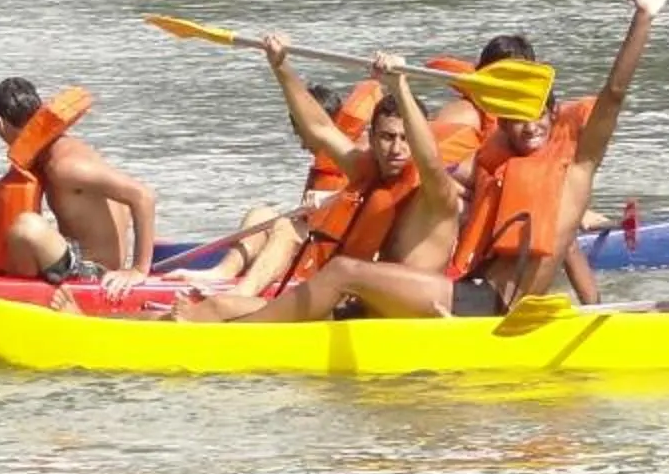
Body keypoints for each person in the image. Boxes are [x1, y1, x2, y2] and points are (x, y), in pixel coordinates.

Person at [437, 0, 669, 317]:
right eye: (516, 118)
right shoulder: (495, 152)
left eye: (536, 115)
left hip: (491, 300)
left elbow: (614, 91)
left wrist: (643, 17)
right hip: (476, 290)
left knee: (353, 276)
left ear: (553, 112)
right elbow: (437, 172)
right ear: (500, 120)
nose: (529, 125)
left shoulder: (577, 160)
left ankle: (594, 307)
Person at [175, 43, 483, 318]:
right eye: (388, 138)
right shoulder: (368, 171)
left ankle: (241, 335)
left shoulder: (436, 190)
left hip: (412, 310)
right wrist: (280, 66)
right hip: (367, 304)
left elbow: (427, 158)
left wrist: (399, 85)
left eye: (405, 138)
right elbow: (320, 127)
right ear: (372, 140)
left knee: (341, 271)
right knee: (218, 306)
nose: (397, 149)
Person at [0, 79, 159, 282]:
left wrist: (139, 271)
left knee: (27, 227)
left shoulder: (64, 165)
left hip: (93, 271)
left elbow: (143, 196)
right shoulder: (44, 155)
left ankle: (9, 296)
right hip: (67, 255)